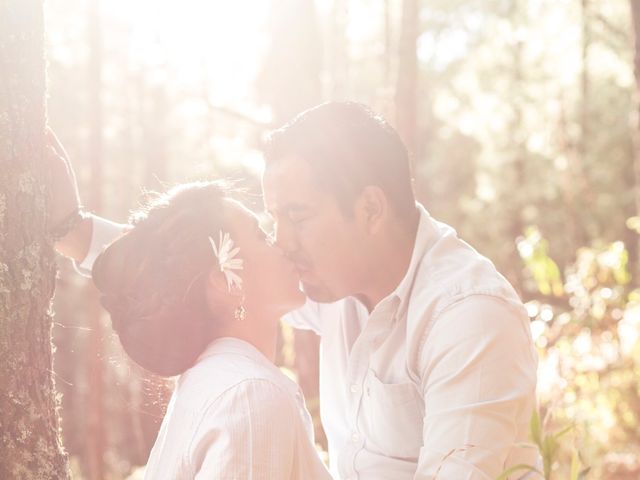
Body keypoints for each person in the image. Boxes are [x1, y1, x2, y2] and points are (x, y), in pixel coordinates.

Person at [49, 102, 539, 479]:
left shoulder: (469, 318)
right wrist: (76, 233)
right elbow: (202, 274)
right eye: (271, 220)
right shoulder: (330, 281)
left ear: (370, 210)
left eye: (297, 215)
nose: (281, 241)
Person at [48, 159, 332, 478]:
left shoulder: (215, 380)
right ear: (225, 281)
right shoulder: (252, 395)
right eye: (262, 235)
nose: (282, 244)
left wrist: (77, 232)